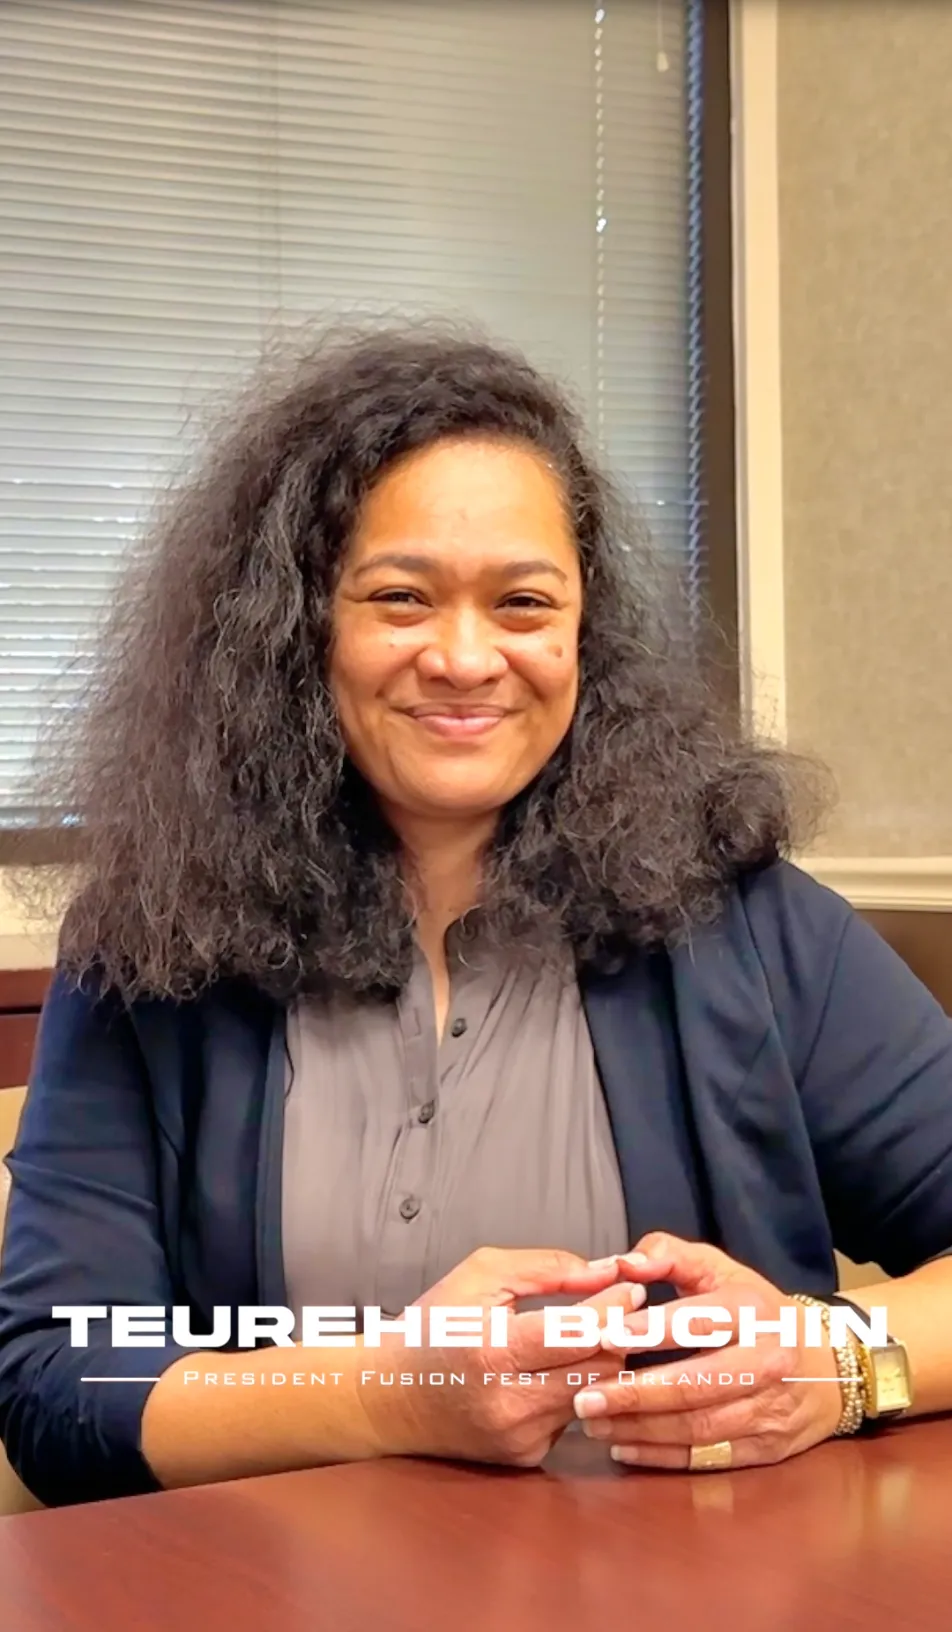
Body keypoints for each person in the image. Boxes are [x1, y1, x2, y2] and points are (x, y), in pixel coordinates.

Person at [1, 325, 951, 1510]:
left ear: (580, 637)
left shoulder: (746, 927)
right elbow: (59, 1379)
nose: (464, 657)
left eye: (522, 602)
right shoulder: (150, 949)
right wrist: (393, 1387)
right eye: (400, 597)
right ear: (297, 631)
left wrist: (840, 1358)